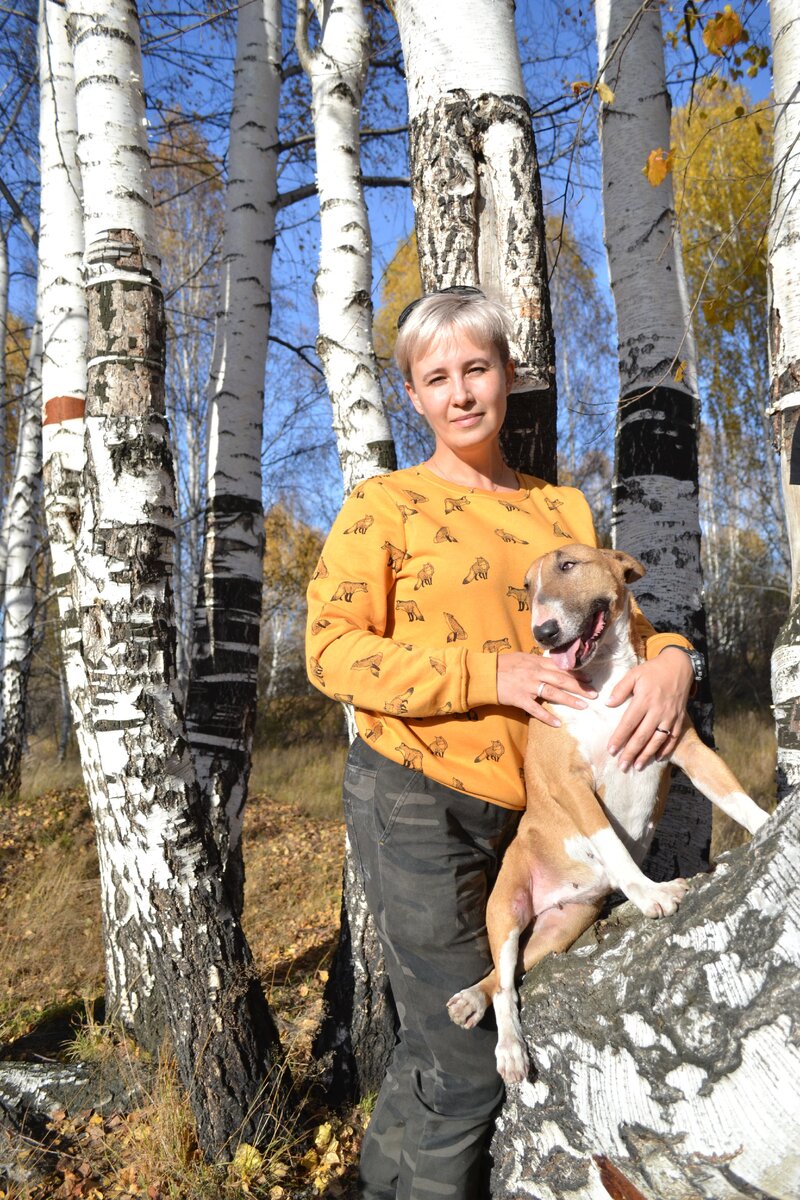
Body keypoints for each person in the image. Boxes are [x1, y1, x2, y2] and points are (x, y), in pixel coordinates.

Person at [305, 289, 696, 1200]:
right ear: (412, 396)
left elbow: (621, 617)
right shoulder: (384, 505)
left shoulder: (559, 509)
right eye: (436, 377)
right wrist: (495, 674)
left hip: (545, 813)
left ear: (509, 375)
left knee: (450, 1041)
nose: (461, 392)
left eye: (477, 368)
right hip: (416, 798)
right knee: (469, 1053)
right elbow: (331, 651)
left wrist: (674, 661)